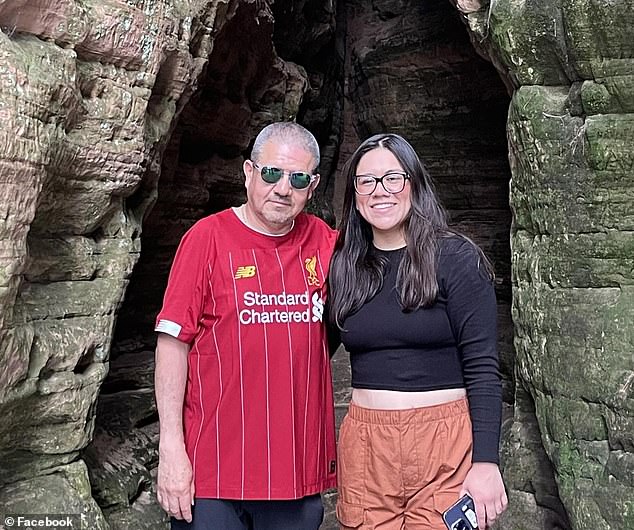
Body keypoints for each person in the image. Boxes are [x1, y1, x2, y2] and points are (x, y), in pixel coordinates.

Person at [154, 122, 338, 530]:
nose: (283, 188)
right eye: (271, 173)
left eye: (298, 178)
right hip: (214, 471)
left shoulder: (325, 243)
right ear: (249, 172)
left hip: (295, 474)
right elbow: (172, 344)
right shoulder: (206, 239)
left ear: (314, 184)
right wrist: (171, 449)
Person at [327, 133, 508, 529]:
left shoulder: (456, 258)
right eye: (367, 181)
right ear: (354, 193)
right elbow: (307, 350)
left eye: (393, 178)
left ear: (414, 183)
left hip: (444, 444)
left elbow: (482, 367)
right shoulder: (343, 266)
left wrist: (486, 462)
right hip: (366, 446)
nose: (380, 191)